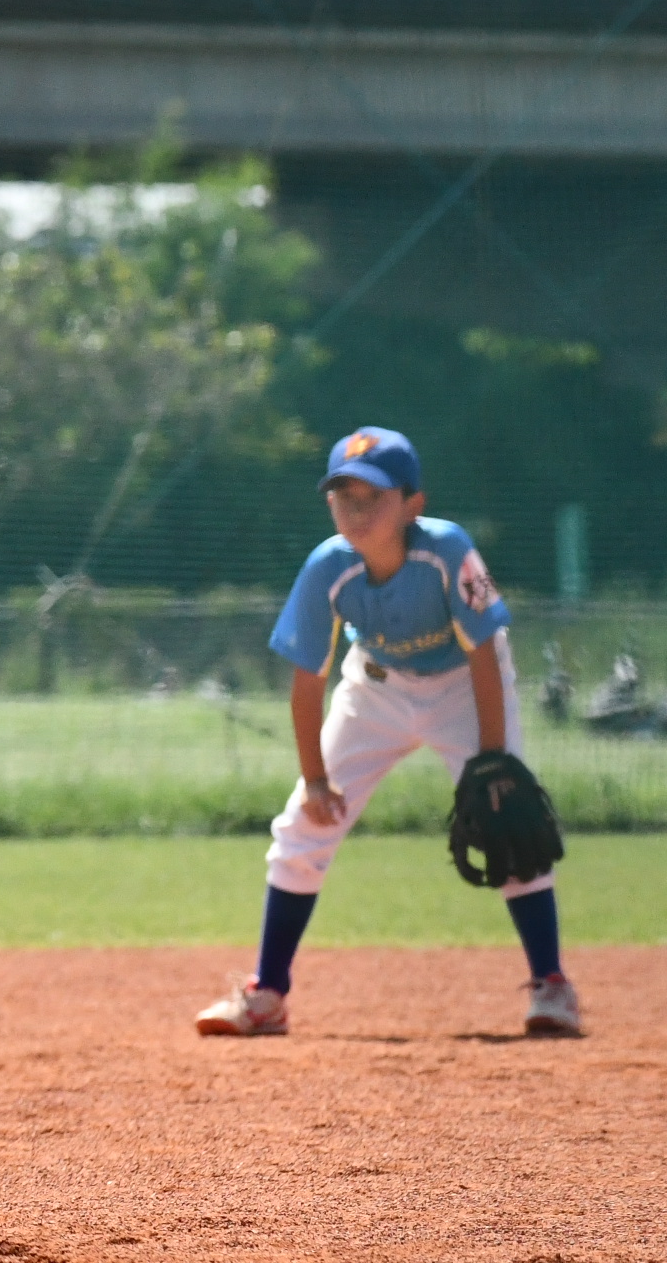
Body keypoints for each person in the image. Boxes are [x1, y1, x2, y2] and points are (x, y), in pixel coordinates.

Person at [194, 427, 577, 1039]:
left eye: (373, 496)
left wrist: (493, 762)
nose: (356, 509)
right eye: (343, 496)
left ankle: (552, 985)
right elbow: (307, 685)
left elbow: (483, 656)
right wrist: (315, 779)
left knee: (510, 822)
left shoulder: (447, 550)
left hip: (463, 686)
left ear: (412, 504)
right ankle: (267, 994)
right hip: (376, 689)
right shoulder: (328, 567)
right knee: (302, 828)